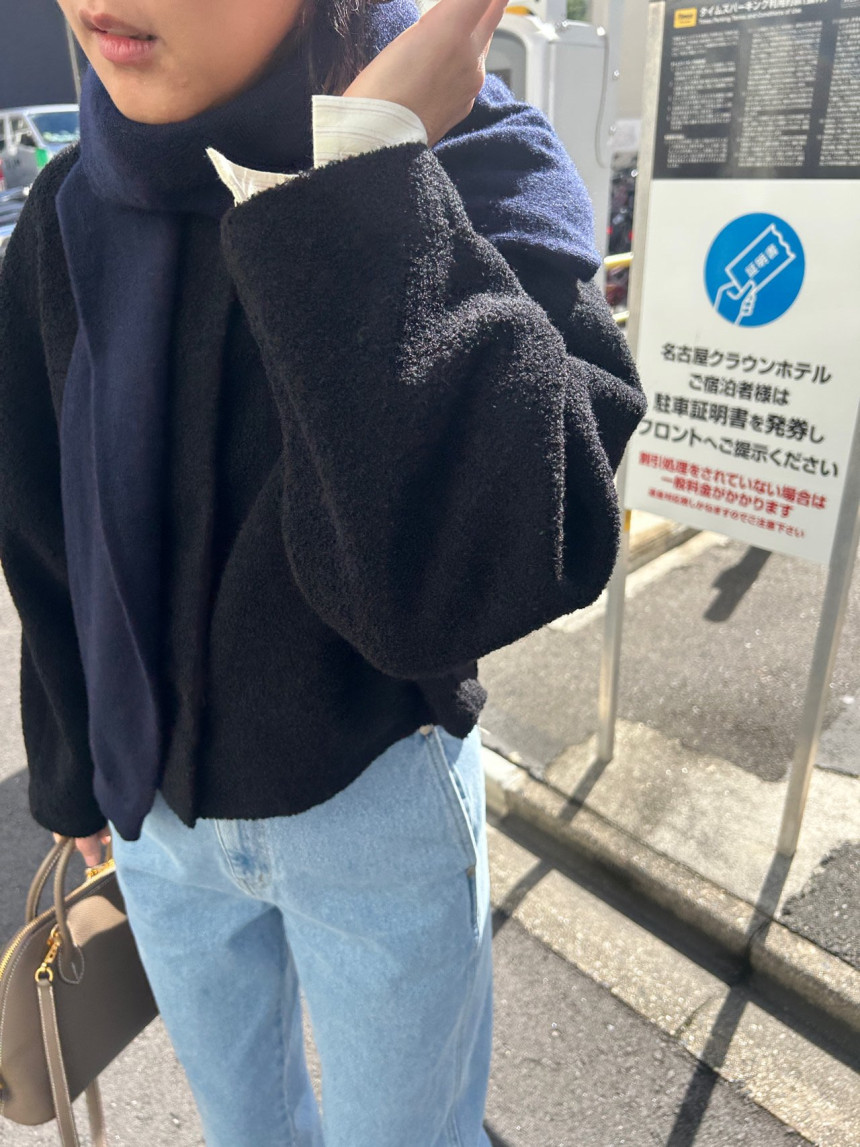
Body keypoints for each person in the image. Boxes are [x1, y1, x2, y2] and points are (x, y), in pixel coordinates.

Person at [0, 0, 646, 1143]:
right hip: (157, 814)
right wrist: (72, 776)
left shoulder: (467, 154)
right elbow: (49, 526)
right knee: (243, 1128)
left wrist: (359, 174)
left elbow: (498, 557)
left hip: (372, 793)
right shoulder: (69, 207)